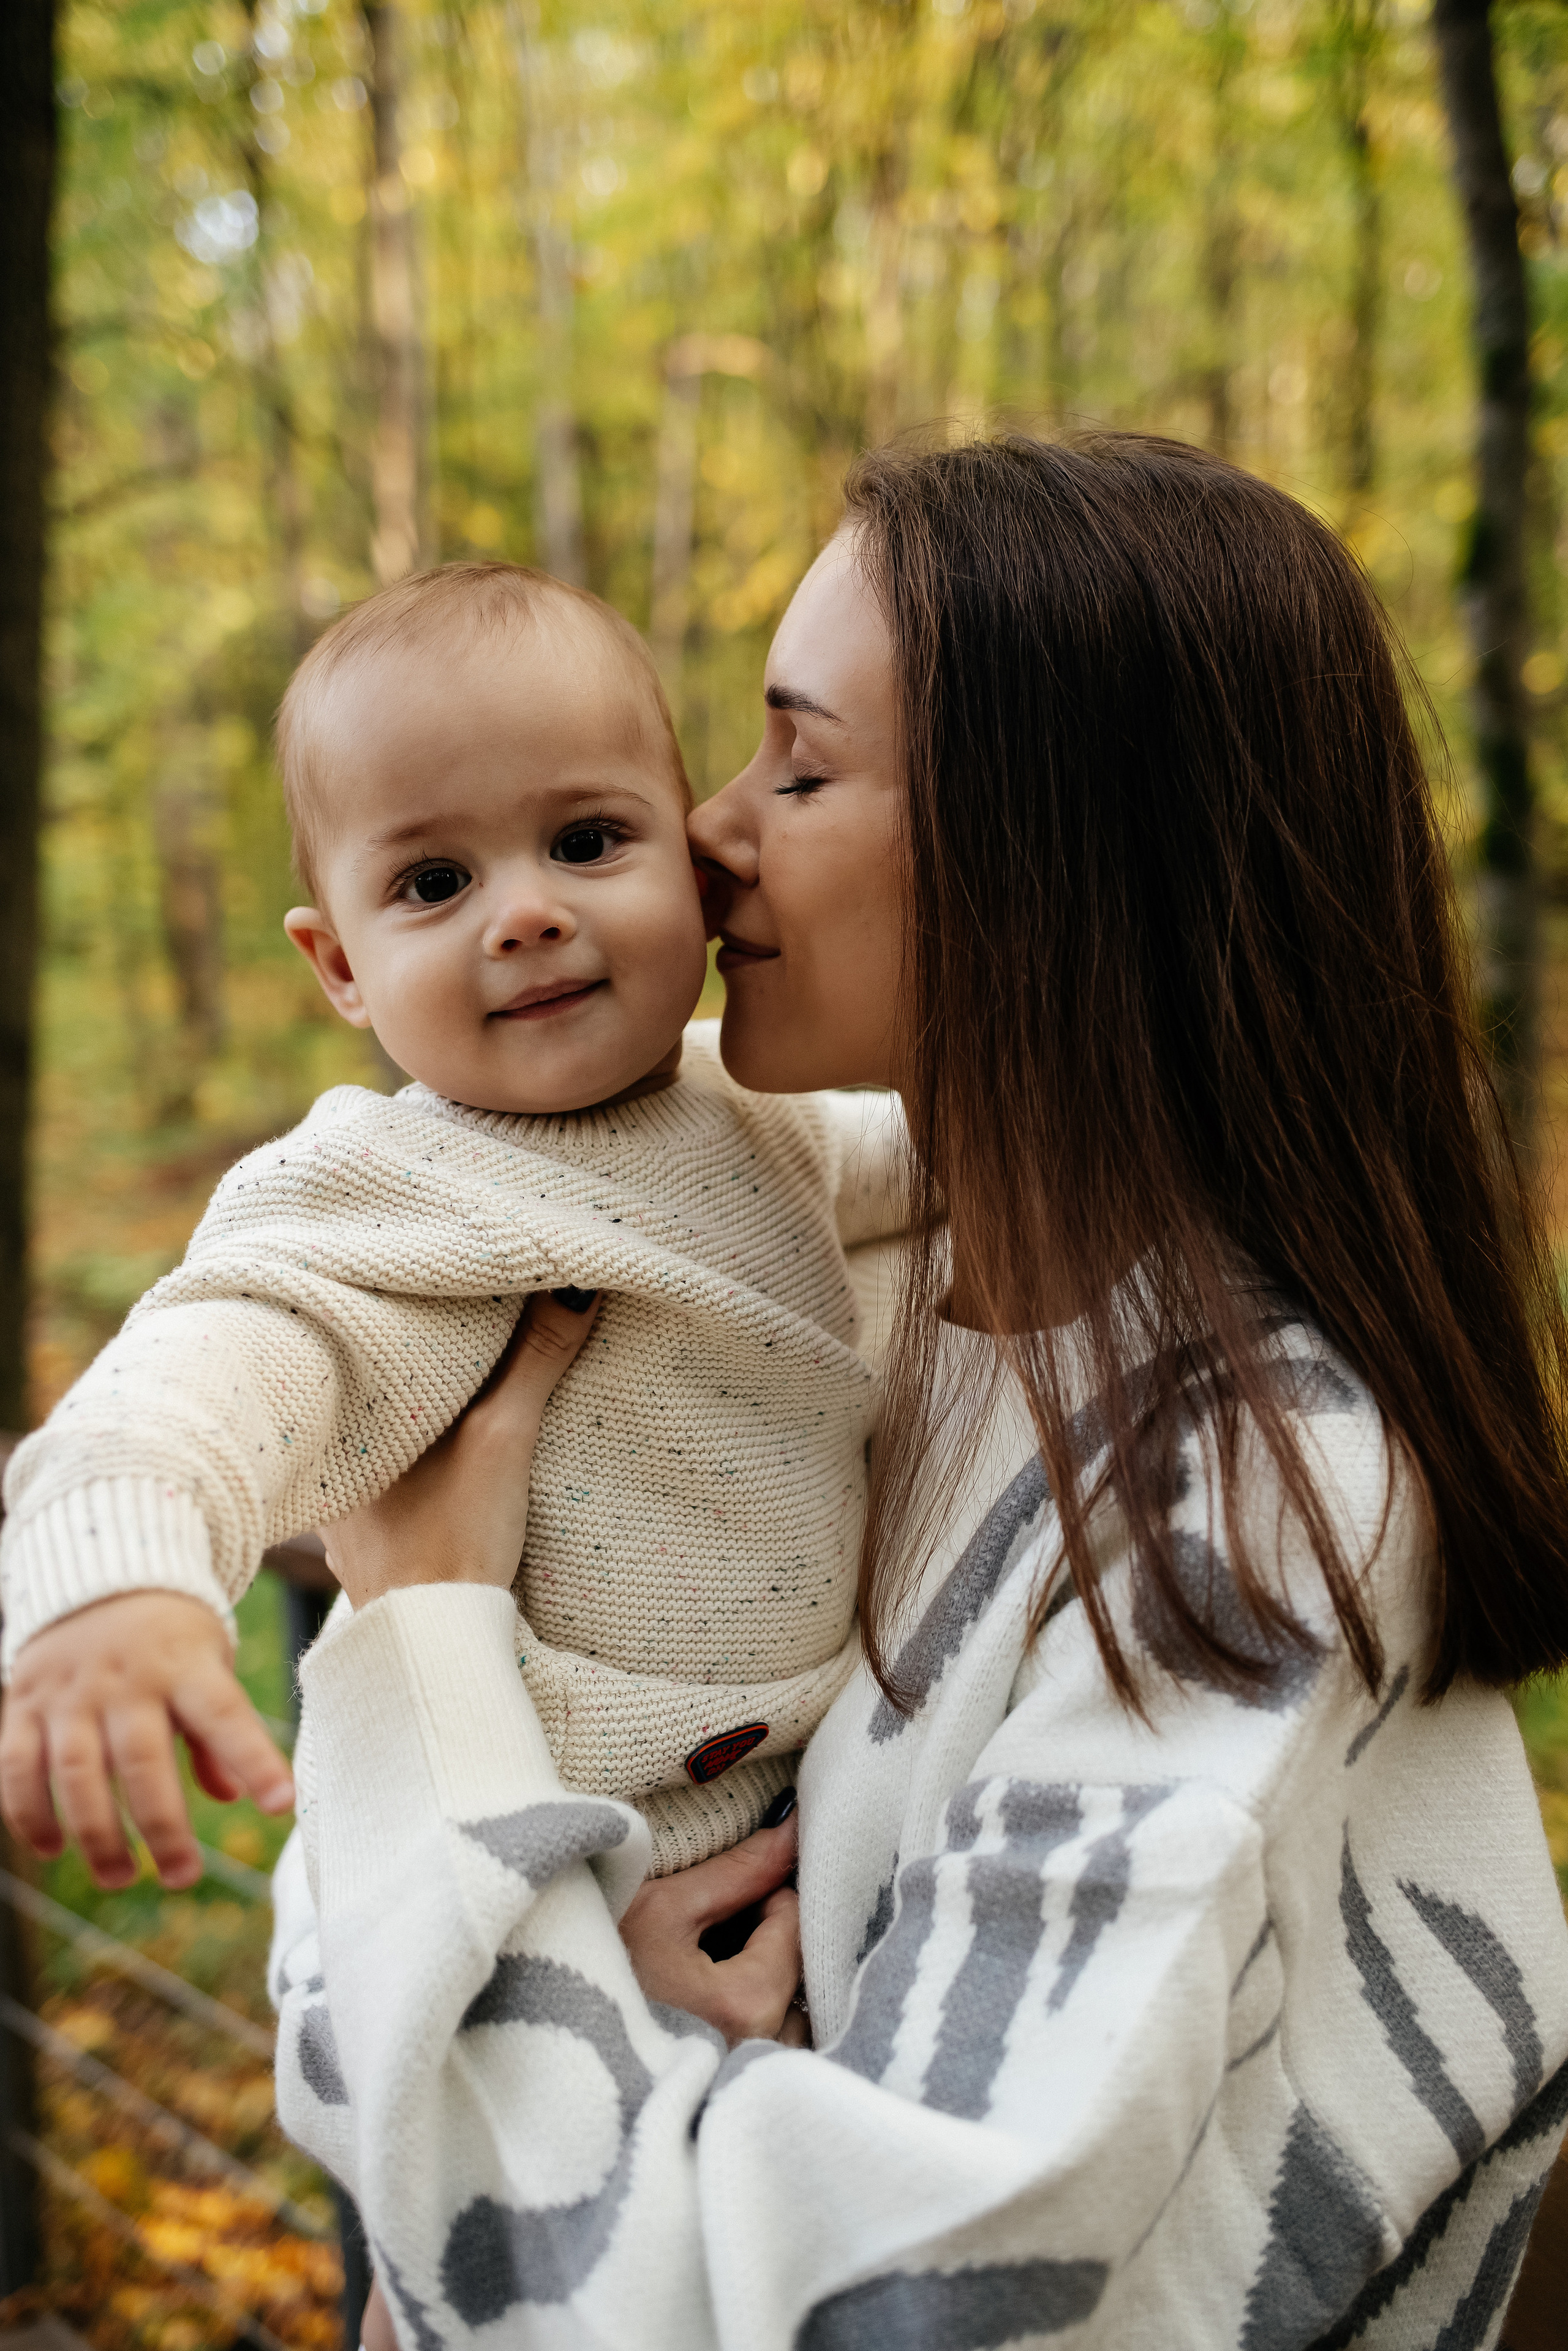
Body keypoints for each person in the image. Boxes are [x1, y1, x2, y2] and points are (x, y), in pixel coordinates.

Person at [263, 431, 1568, 2348]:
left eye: (797, 767)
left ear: (1054, 861)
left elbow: (921, 2286)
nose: (710, 827)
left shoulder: (1252, 1494)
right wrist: (595, 1977)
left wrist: (422, 1635)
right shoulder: (911, 1309)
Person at [0, 561, 906, 1888]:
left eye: (586, 842)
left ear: (696, 864)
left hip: (819, 1807)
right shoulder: (393, 1186)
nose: (525, 914)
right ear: (341, 966)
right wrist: (115, 1574)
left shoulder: (756, 1110)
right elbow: (210, 1367)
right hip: (559, 1847)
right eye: (434, 880)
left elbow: (948, 1158)